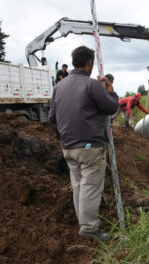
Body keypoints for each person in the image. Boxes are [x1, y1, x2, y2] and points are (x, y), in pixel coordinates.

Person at [48, 46, 119, 241]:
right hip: (89, 146)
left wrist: (63, 137)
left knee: (79, 184)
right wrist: (111, 91)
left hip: (68, 146)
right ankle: (88, 228)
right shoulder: (92, 85)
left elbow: (51, 118)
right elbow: (110, 108)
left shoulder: (58, 87)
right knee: (90, 186)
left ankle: (84, 222)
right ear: (89, 63)